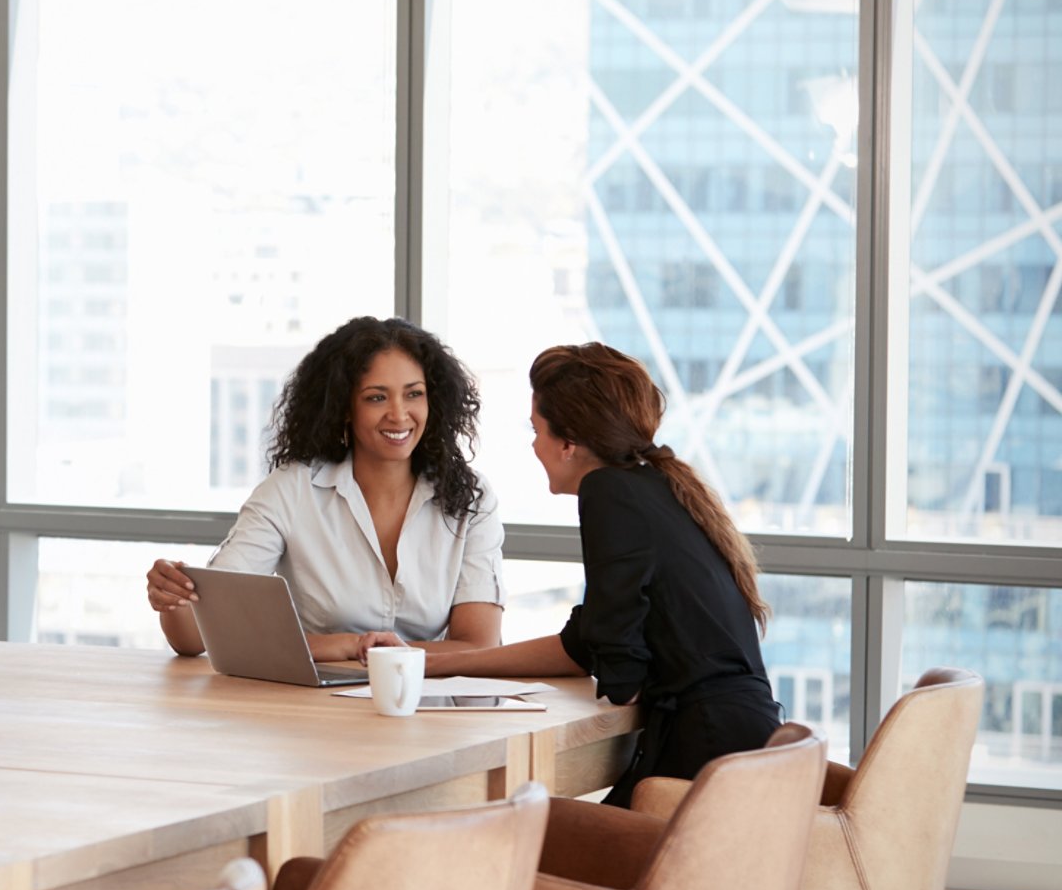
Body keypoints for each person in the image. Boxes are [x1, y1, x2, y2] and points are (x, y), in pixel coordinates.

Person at [428, 342, 782, 807]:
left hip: (705, 751)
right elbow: (585, 643)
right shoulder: (655, 485)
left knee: (523, 833)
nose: (534, 444)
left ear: (569, 443)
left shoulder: (608, 490)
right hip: (740, 739)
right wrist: (438, 661)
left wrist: (618, 667)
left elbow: (619, 668)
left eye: (535, 430)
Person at [145, 317, 505, 665]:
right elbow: (195, 636)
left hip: (427, 706)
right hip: (311, 711)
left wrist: (370, 652)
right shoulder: (292, 490)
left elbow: (478, 644)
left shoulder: (470, 498)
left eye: (414, 394)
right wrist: (173, 595)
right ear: (344, 407)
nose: (399, 414)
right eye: (376, 398)